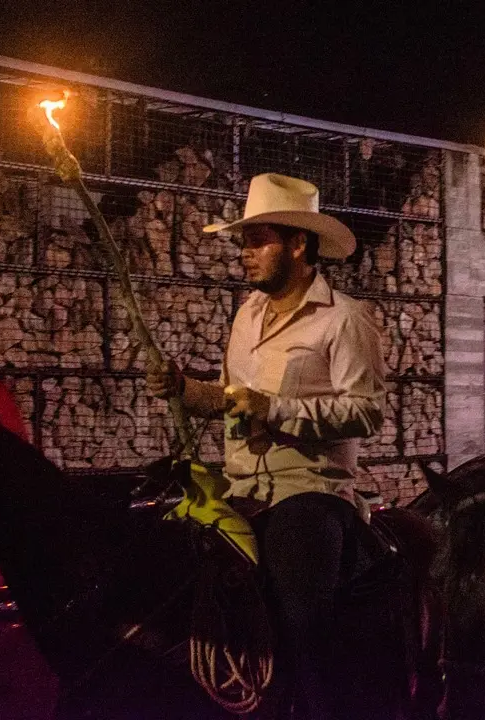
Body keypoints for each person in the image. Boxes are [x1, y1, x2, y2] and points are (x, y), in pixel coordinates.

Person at [147, 172, 388, 720]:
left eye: (258, 241)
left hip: (309, 491)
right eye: (243, 243)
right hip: (237, 487)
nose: (245, 255)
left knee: (301, 615)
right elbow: (233, 399)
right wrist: (187, 391)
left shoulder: (345, 320)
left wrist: (274, 408)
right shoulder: (247, 314)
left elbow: (367, 412)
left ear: (298, 243)